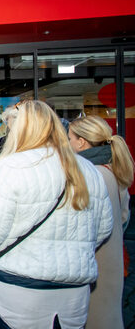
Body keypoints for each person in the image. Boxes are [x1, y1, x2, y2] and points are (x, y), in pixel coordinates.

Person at [0, 100, 113, 329]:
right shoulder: (87, 169)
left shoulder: (9, 167)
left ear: (20, 129)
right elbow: (103, 228)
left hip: (20, 289)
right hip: (74, 293)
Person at [68, 115, 133, 329]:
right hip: (111, 261)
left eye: (70, 139)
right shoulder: (113, 169)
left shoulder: (88, 175)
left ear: (81, 142)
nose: (68, 144)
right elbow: (124, 217)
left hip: (93, 265)